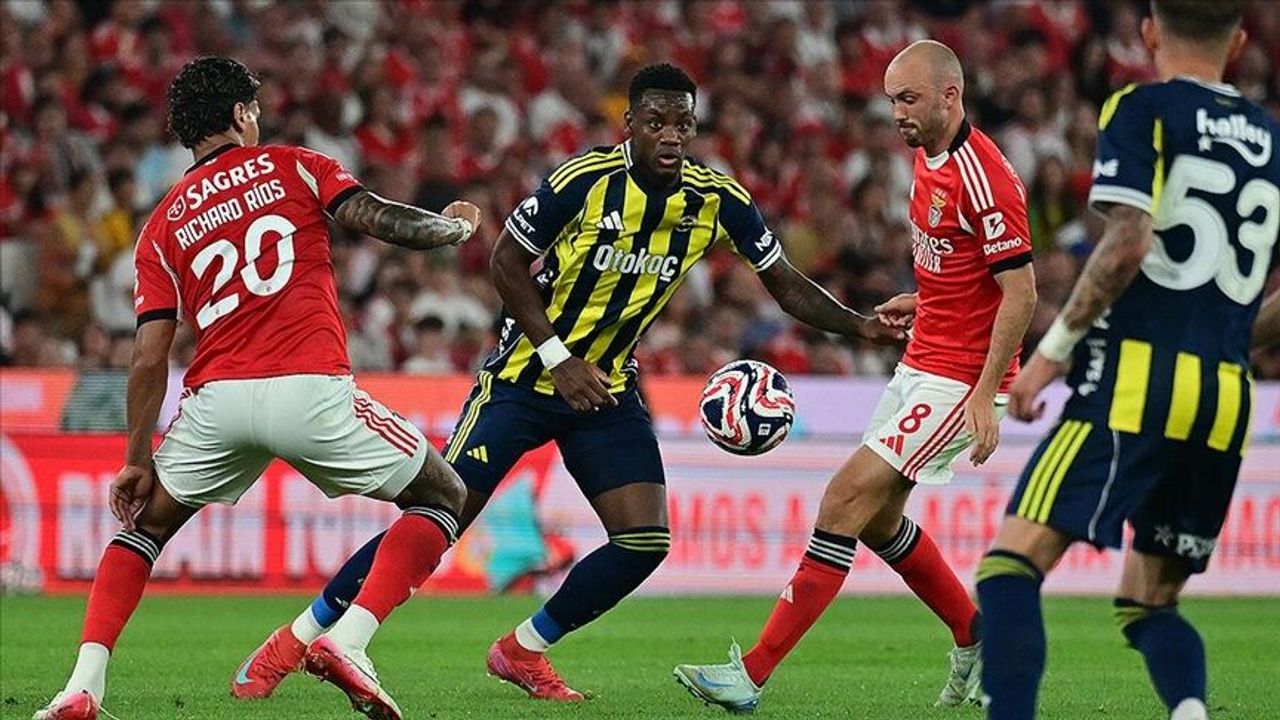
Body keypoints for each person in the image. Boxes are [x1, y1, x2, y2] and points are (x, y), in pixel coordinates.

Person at [232, 62, 902, 704]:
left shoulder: (717, 200)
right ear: (630, 124)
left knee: (644, 541)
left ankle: (523, 649)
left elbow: (784, 283)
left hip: (605, 391)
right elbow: (505, 262)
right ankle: (296, 641)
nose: (670, 135)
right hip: (523, 378)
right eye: (656, 122)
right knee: (441, 511)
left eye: (683, 124)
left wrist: (860, 325)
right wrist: (557, 357)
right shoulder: (584, 181)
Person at [33, 57, 481, 720]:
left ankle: (82, 686)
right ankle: (349, 641)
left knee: (143, 529)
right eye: (256, 107)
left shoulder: (161, 224)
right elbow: (378, 217)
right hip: (308, 387)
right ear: (241, 113)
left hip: (218, 402)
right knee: (444, 496)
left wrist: (135, 458)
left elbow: (149, 357)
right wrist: (452, 227)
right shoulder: (293, 165)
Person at [673, 40, 1037, 712]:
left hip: (960, 378)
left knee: (843, 500)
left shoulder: (984, 178)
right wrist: (926, 300)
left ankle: (750, 674)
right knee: (875, 520)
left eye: (910, 99)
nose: (897, 112)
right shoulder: (928, 157)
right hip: (923, 357)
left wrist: (987, 392)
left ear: (950, 96)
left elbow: (1022, 292)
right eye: (892, 99)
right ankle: (976, 632)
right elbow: (972, 272)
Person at [975, 2, 1279, 719]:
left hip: (1134, 381)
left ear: (1149, 33)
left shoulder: (1141, 109)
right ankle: (1190, 711)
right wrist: (1229, 337)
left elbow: (1128, 242)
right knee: (1149, 602)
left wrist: (1051, 354)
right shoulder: (1272, 138)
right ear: (1239, 42)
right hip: (1225, 396)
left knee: (1008, 568)